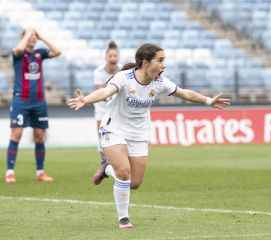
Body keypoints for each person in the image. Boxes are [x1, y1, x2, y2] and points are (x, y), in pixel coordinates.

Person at [68, 43, 230, 229]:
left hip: (139, 133)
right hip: (114, 128)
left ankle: (106, 170)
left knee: (134, 183)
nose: (163, 65)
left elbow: (183, 93)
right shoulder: (124, 78)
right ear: (145, 62)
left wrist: (208, 101)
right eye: (160, 60)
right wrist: (86, 99)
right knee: (123, 172)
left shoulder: (159, 82)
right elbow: (106, 91)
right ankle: (124, 219)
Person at [5, 28, 61, 183]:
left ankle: (40, 173)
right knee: (16, 134)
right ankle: (9, 172)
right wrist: (27, 34)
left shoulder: (40, 53)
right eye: (30, 36)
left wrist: (41, 36)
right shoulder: (18, 54)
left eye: (34, 37)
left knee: (39, 136)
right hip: (20, 101)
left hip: (39, 102)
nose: (32, 39)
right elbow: (17, 49)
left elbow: (57, 52)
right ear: (23, 38)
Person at [92, 40, 120, 167]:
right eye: (110, 56)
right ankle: (104, 161)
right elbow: (100, 92)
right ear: (106, 57)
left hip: (116, 107)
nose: (113, 58)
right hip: (102, 107)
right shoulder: (98, 72)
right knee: (101, 133)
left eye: (115, 56)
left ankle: (118, 159)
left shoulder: (122, 71)